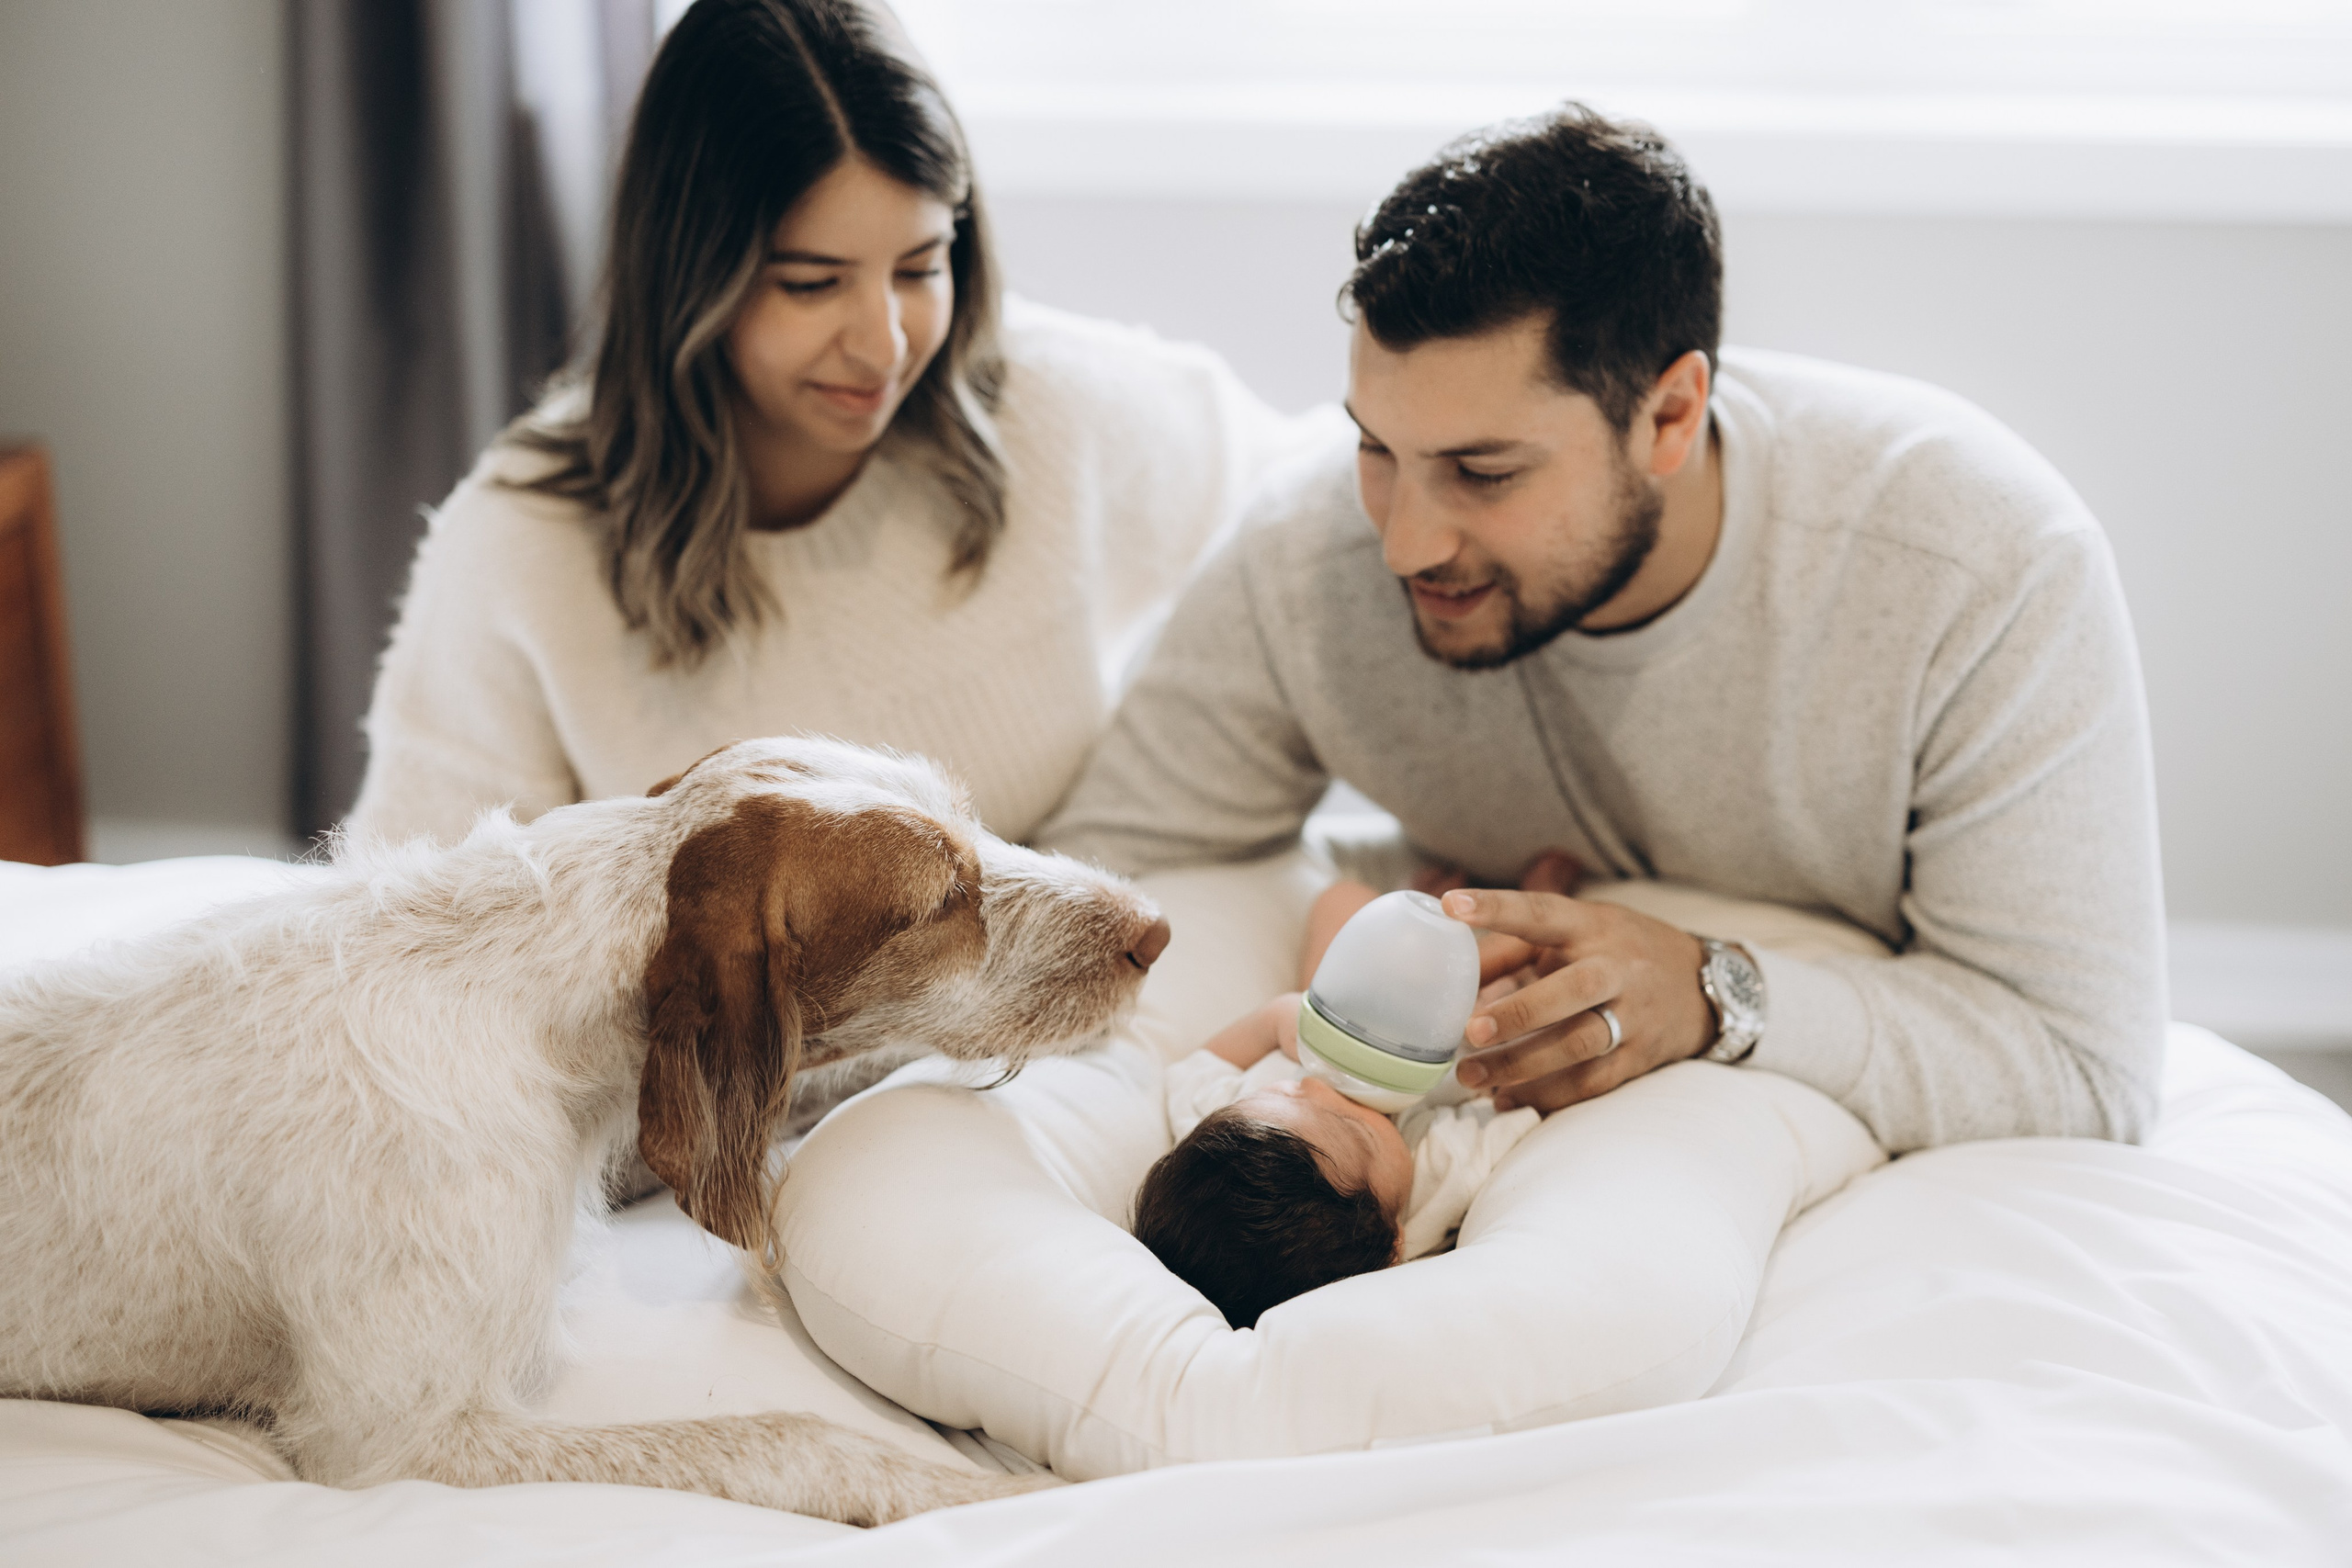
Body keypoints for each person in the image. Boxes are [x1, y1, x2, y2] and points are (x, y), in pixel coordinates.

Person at [1042, 106, 2167, 1156]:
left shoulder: (1972, 565)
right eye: (1376, 450)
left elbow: (2085, 1066)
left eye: (1483, 471)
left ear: (1671, 416)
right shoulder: (1307, 553)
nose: (1403, 545)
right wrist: (1363, 927)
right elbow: (1111, 873)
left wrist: (1716, 994)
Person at [346, 0, 1331, 850]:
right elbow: (413, 925)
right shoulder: (521, 546)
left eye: (919, 267)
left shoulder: (1051, 406)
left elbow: (1325, 511)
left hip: (1038, 1032)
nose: (885, 344)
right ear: (694, 276)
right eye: (812, 284)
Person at [1136, 877, 1543, 1330]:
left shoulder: (1222, 1132)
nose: (1322, 1089)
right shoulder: (1436, 1174)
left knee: (1341, 899)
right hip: (1452, 1053)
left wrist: (1279, 1022)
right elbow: (1522, 1113)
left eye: (1285, 1092)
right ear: (1394, 1242)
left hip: (1338, 1023)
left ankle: (1430, 891)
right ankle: (1536, 899)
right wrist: (1496, 1080)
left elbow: (1203, 1063)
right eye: (1363, 1132)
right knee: (1510, 1004)